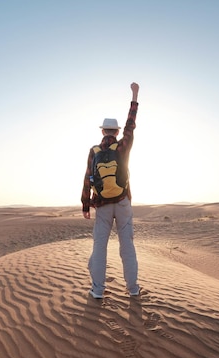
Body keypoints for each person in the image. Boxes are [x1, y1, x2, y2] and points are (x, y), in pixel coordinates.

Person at [81, 82, 140, 299]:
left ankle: (98, 290)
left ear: (103, 131)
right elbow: (131, 125)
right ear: (116, 132)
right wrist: (134, 95)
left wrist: (85, 204)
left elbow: (88, 177)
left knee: (100, 248)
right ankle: (133, 289)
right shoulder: (122, 146)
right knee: (127, 247)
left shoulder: (94, 151)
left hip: (102, 205)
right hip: (123, 203)